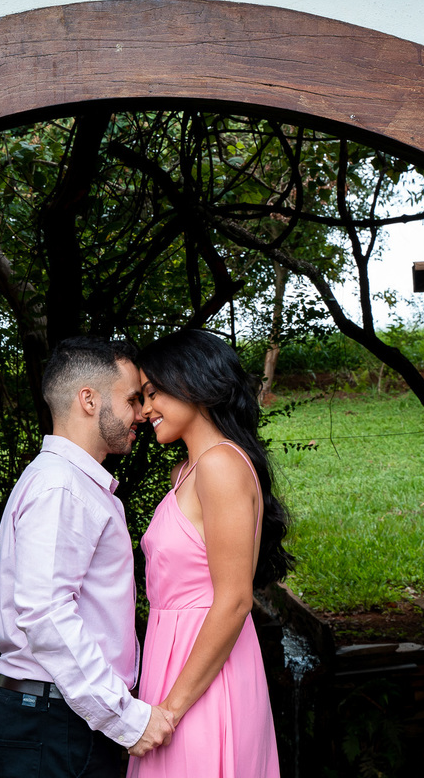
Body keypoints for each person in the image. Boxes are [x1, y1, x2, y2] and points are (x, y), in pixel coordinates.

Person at [0, 337, 176, 778]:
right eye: (131, 399)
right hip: (53, 724)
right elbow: (46, 613)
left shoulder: (68, 483)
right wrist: (125, 719)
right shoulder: (61, 488)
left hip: (58, 717)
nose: (142, 414)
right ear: (88, 400)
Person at [126, 329, 292, 778]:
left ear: (193, 383)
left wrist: (170, 711)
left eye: (153, 393)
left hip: (205, 677)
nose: (145, 411)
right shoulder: (188, 471)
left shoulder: (220, 465)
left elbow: (235, 599)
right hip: (174, 660)